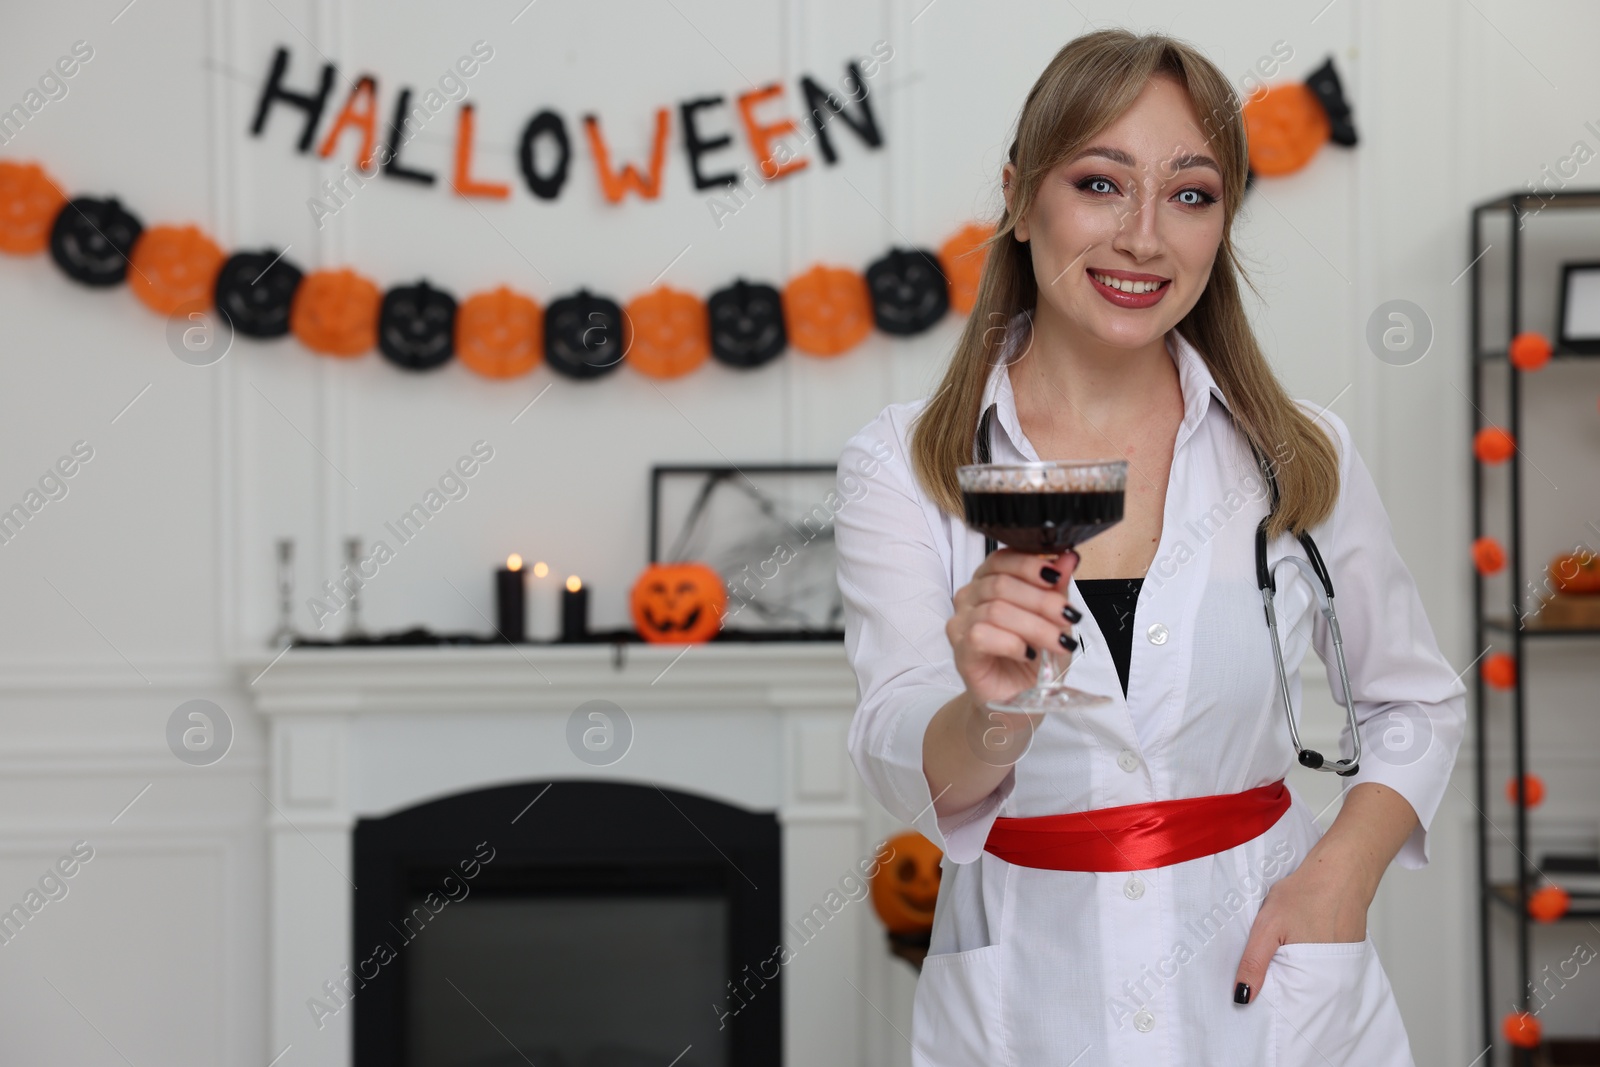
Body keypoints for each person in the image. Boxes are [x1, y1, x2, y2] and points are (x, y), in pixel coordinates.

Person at [833, 28, 1465, 1067]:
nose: (1142, 237)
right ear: (1019, 195)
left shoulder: (1299, 454)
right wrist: (990, 709)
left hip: (1273, 989)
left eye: (1190, 193)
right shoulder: (904, 464)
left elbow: (1417, 699)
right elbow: (903, 758)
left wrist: (1341, 873)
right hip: (1027, 995)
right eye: (1098, 182)